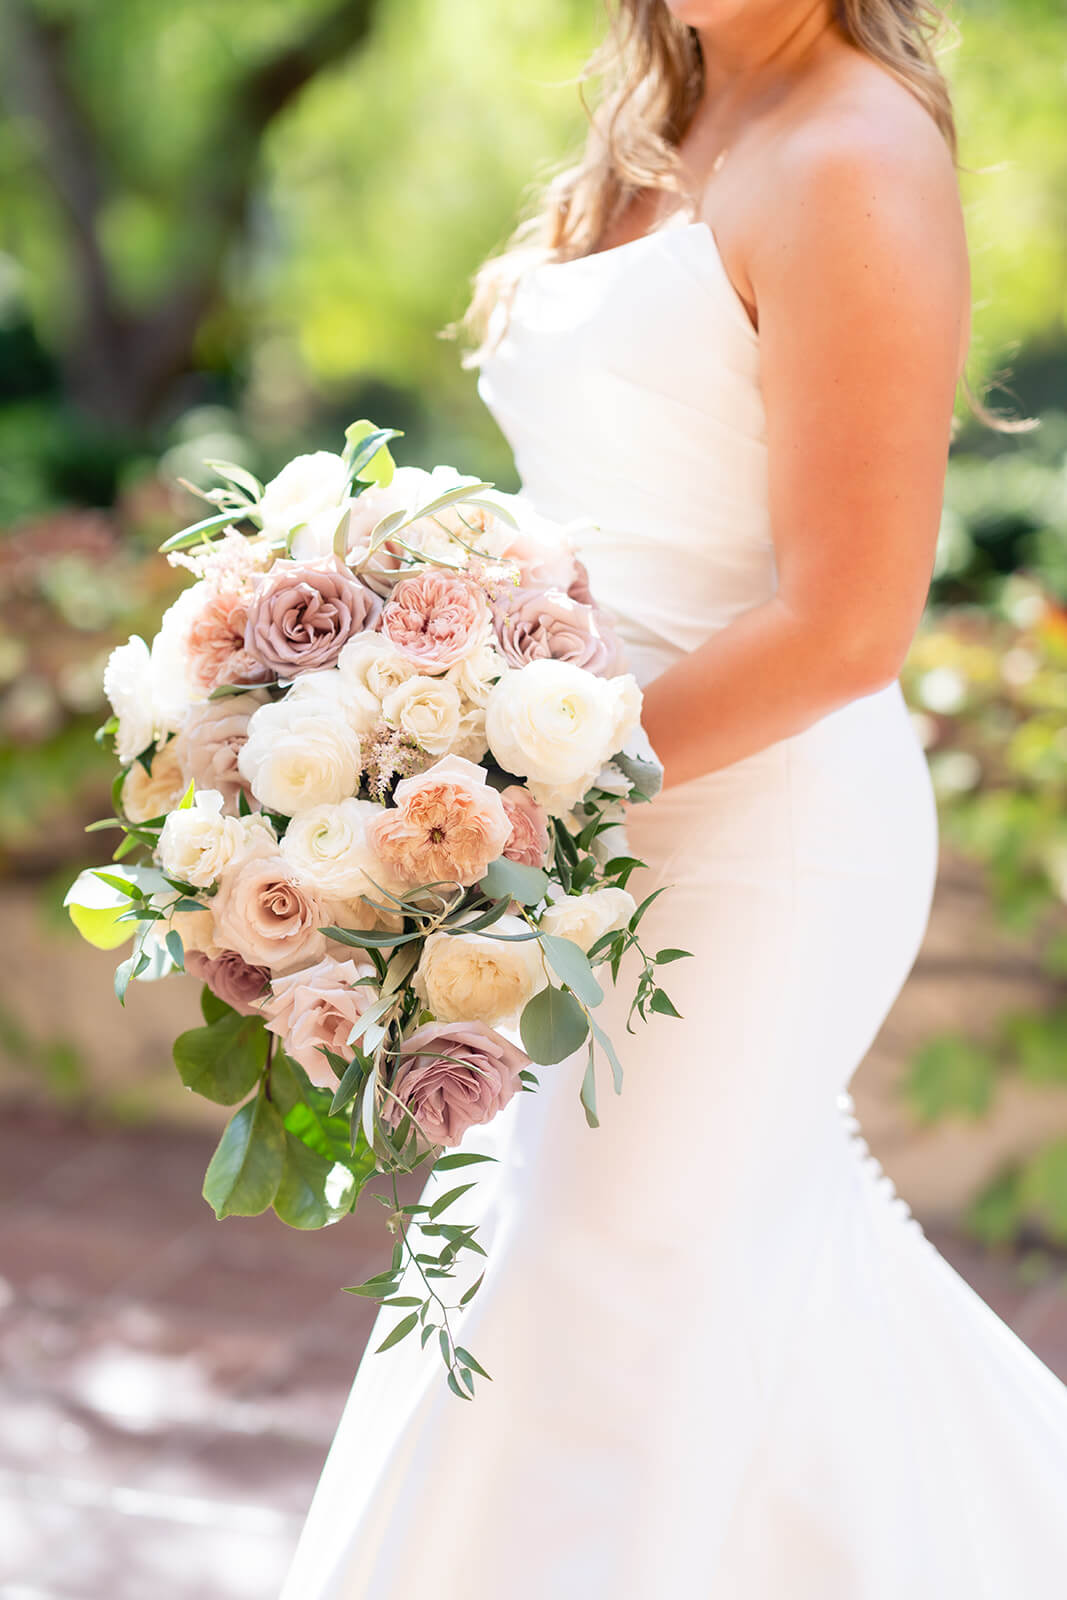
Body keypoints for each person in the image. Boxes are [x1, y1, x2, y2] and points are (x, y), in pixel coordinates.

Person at [279, 3, 1067, 1594]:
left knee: (602, 1275)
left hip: (757, 828)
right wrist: (404, 693)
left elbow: (847, 623)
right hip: (584, 816)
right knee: (653, 1279)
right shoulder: (669, 114)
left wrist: (509, 793)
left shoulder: (850, 151)